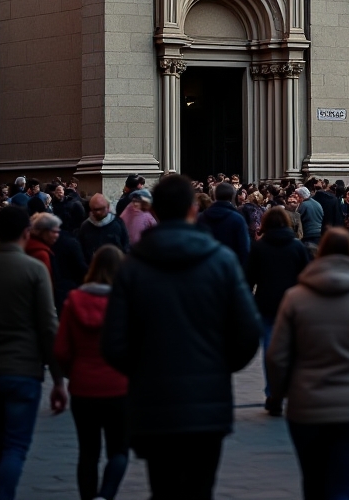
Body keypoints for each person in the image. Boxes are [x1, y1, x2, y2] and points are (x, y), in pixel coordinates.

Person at [101, 173, 261, 500]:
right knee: (200, 491)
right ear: (193, 210)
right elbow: (247, 334)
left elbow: (113, 343)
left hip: (153, 406)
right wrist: (216, 367)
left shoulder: (131, 267)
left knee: (163, 490)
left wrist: (145, 370)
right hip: (207, 406)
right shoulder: (222, 262)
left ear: (155, 211)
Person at [267, 229, 349, 500]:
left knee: (313, 483)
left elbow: (277, 356)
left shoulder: (295, 298)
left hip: (305, 405)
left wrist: (278, 395)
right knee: (342, 484)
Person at [0, 205, 67, 500]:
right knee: (15, 447)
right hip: (23, 371)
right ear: (26, 232)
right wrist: (58, 379)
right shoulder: (35, 270)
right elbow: (48, 327)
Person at [54, 244, 130, 500]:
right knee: (119, 450)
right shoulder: (126, 303)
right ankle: (106, 495)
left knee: (88, 451)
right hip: (119, 387)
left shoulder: (74, 300)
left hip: (83, 386)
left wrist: (70, 373)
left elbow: (62, 349)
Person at [246, 206, 311, 415]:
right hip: (294, 305)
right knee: (293, 349)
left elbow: (249, 278)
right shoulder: (297, 246)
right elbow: (307, 276)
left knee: (270, 350)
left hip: (266, 304)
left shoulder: (258, 247)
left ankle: (273, 391)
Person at [198, 181, 250, 266]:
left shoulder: (201, 218)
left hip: (207, 268)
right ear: (232, 196)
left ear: (214, 196)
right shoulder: (237, 219)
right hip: (230, 267)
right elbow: (244, 249)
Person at [78, 194, 129, 264]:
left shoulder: (117, 223)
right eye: (95, 210)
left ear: (108, 207)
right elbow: (81, 250)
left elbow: (126, 245)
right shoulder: (85, 226)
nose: (98, 212)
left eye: (101, 209)